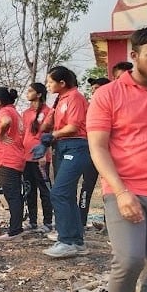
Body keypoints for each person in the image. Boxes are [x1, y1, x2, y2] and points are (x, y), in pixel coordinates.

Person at [88, 26, 147, 292]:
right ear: (134, 56)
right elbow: (98, 147)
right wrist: (122, 191)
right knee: (128, 260)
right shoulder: (109, 95)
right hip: (125, 191)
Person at [38, 66, 91, 259]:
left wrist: (52, 135)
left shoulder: (75, 97)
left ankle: (67, 240)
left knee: (59, 192)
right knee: (66, 194)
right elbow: (47, 125)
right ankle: (76, 241)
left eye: (51, 81)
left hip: (76, 146)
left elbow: (73, 126)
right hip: (62, 146)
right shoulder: (60, 100)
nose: (48, 85)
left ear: (62, 83)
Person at [0, 88, 26, 241]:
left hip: (7, 158)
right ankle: (16, 228)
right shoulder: (16, 113)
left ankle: (15, 231)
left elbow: (6, 122)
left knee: (12, 196)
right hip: (17, 157)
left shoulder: (4, 112)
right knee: (15, 195)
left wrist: (1, 135)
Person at [78, 78, 111, 227]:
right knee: (86, 187)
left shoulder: (114, 106)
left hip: (110, 156)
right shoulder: (89, 107)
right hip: (91, 154)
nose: (93, 92)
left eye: (97, 88)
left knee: (111, 190)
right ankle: (81, 222)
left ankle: (109, 223)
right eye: (92, 89)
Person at [21, 83, 53, 233]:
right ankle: (32, 220)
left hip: (40, 157)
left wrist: (44, 153)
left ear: (39, 94)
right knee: (29, 189)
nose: (27, 93)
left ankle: (47, 222)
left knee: (44, 190)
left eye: (31, 91)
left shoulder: (48, 111)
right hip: (26, 157)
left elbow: (48, 135)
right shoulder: (26, 113)